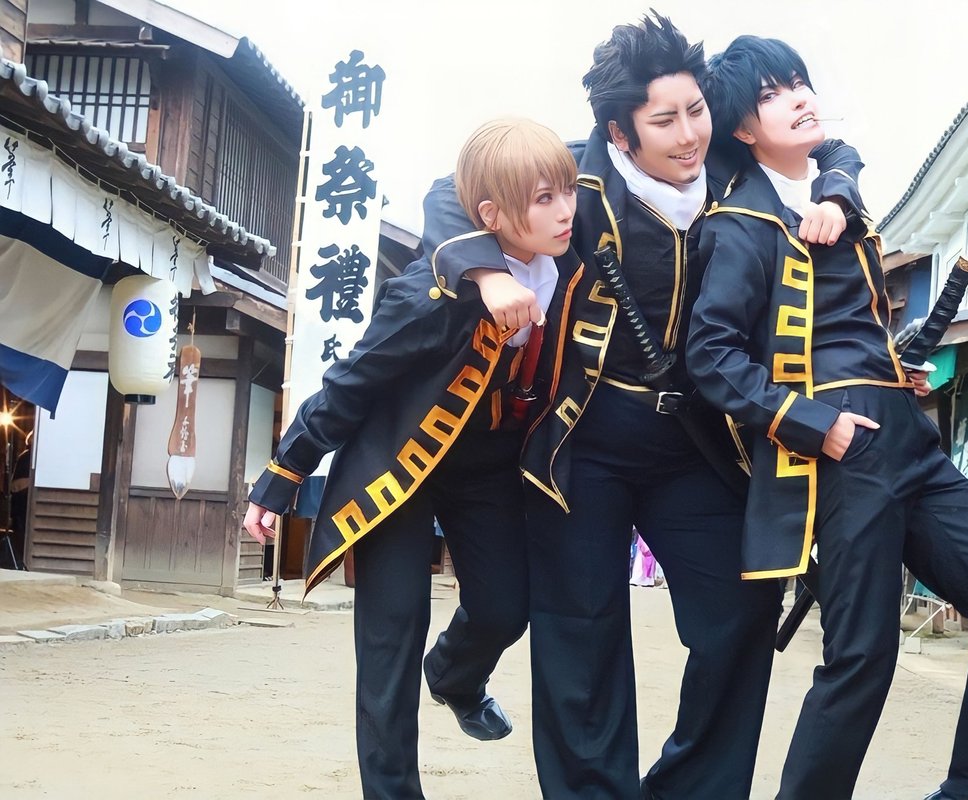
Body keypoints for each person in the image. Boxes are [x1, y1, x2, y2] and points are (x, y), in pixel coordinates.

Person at [421, 14, 867, 799]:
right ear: (619, 132)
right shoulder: (575, 174)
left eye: (696, 110)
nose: (689, 134)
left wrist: (836, 187)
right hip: (581, 437)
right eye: (665, 120)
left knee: (740, 610)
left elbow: (830, 148)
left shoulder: (732, 170)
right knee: (582, 633)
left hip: (696, 440)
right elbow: (448, 194)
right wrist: (487, 273)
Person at [689, 35, 968, 800]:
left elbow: (842, 158)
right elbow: (711, 355)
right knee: (862, 656)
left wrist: (892, 368)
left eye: (798, 80)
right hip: (845, 453)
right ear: (743, 129)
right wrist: (810, 423)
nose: (799, 97)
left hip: (911, 441)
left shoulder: (833, 187)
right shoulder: (738, 227)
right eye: (771, 94)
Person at [242, 118, 579, 800]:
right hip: (398, 471)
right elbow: (349, 386)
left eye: (566, 193)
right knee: (391, 637)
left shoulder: (564, 268)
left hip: (486, 466)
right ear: (491, 216)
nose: (566, 210)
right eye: (544, 199)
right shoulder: (427, 298)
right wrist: (281, 477)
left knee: (504, 608)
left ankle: (454, 676)